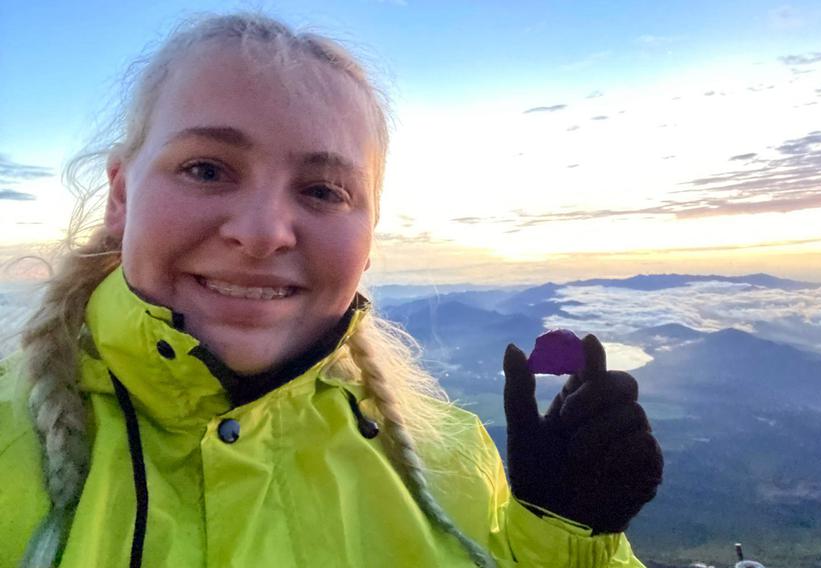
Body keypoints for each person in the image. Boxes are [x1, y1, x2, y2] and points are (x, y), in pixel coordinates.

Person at [0, 13, 662, 567]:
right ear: (120, 197)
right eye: (206, 169)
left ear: (369, 238)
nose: (262, 234)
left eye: (322, 190)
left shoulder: (452, 460)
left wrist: (568, 536)